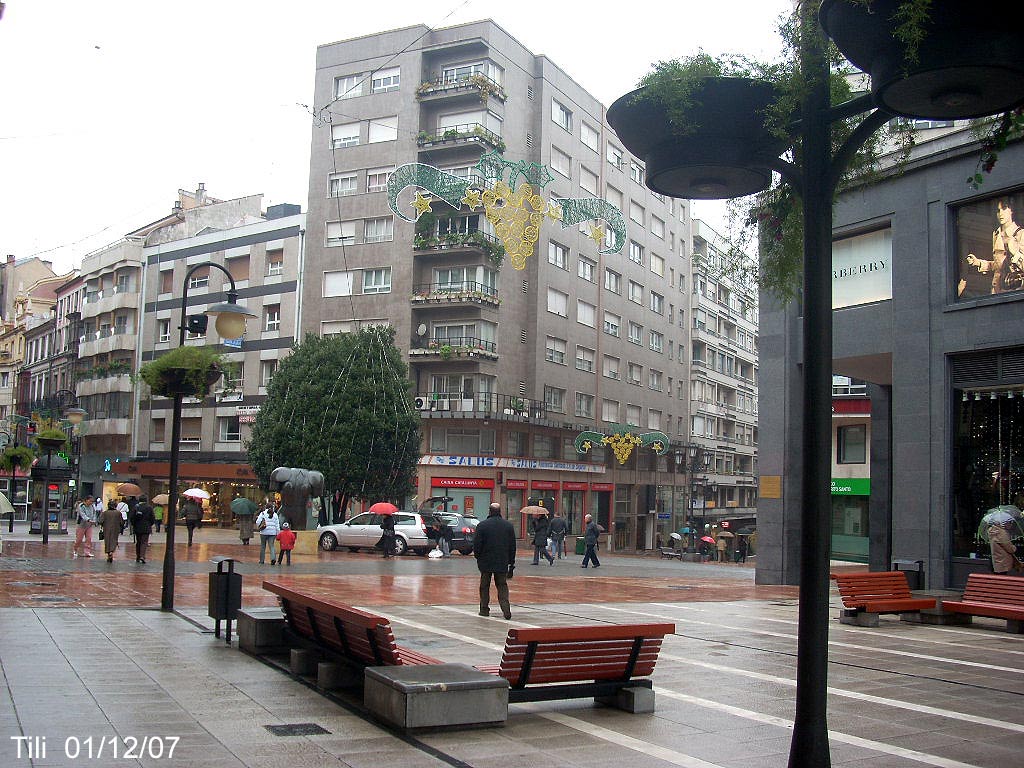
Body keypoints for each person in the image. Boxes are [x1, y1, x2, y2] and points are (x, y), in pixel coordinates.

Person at [966, 198, 1024, 294]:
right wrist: (979, 263)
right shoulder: (996, 234)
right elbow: (999, 266)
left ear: (1012, 210)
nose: (1000, 213)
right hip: (997, 289)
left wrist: (1015, 254)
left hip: (1015, 289)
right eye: (998, 210)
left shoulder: (1021, 234)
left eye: (1004, 208)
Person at [473, 502, 516, 619]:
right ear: (500, 511)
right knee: (502, 585)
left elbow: (477, 544)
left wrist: (478, 556)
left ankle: (484, 609)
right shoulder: (508, 526)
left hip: (485, 561)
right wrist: (511, 563)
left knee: (484, 585)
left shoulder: (482, 525)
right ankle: (506, 608)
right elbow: (512, 546)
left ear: (489, 511)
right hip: (502, 561)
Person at [132, 495, 156, 564]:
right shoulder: (149, 507)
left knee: (138, 542)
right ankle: (142, 556)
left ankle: (138, 556)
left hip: (138, 527)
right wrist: (149, 524)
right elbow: (152, 518)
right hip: (146, 527)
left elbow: (132, 517)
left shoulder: (136, 507)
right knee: (144, 542)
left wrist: (134, 524)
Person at [100, 499, 123, 563]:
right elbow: (121, 522)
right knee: (114, 540)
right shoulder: (118, 513)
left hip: (106, 528)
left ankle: (108, 553)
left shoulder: (105, 513)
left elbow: (100, 521)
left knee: (107, 541)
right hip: (116, 529)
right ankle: (111, 551)